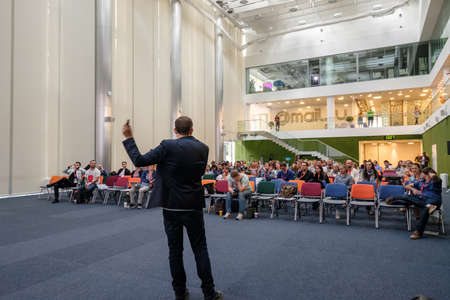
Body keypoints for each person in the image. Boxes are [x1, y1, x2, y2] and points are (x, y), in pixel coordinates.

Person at [122, 116, 222, 300]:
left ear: (175, 130)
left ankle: (180, 292)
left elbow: (139, 160)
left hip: (171, 206)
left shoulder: (167, 146)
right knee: (200, 249)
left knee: (175, 251)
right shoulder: (203, 148)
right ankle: (210, 292)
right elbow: (196, 173)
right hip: (193, 205)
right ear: (192, 130)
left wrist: (129, 137)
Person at [386, 168, 442, 239]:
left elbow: (436, 178)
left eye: (422, 173)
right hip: (422, 200)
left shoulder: (435, 181)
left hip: (434, 200)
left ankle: (418, 232)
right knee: (407, 196)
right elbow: (406, 186)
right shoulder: (421, 182)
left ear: (427, 174)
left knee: (425, 209)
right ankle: (429, 206)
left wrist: (432, 174)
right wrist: (413, 189)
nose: (420, 174)